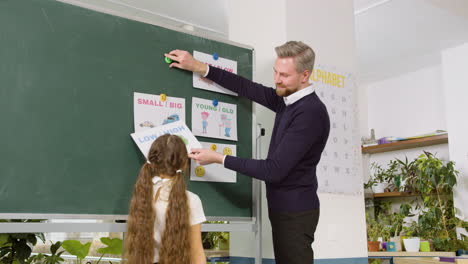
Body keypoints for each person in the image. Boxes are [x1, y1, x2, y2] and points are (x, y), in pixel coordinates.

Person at [165, 41, 330, 264]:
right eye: (275, 72)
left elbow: (274, 170)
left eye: (284, 75)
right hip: (286, 208)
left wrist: (219, 158)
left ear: (305, 75)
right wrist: (200, 67)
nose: (277, 79)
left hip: (296, 211)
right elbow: (247, 88)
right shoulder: (288, 100)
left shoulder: (309, 113)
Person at [124, 134, 206, 264]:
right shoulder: (191, 200)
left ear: (152, 161)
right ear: (184, 163)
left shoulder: (142, 194)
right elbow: (196, 252)